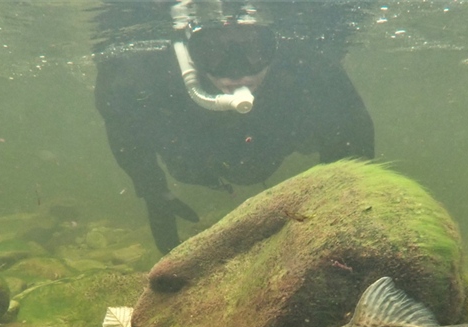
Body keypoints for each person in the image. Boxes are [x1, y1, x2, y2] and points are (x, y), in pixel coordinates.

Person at [94, 0, 375, 253]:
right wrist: (153, 191)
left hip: (276, 140)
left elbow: (354, 131)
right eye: (213, 50)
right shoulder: (143, 78)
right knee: (184, 162)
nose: (238, 70)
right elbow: (121, 124)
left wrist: (336, 208)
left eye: (254, 49)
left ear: (274, 47)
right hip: (197, 159)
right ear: (190, 53)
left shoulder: (312, 70)